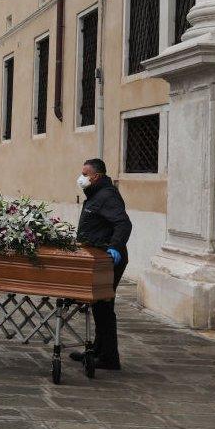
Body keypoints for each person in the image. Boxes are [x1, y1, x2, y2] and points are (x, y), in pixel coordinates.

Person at [71, 158, 132, 370]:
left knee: (104, 307)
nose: (82, 178)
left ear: (96, 176)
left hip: (108, 259)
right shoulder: (97, 193)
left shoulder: (107, 195)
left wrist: (115, 246)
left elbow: (123, 223)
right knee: (98, 306)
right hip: (99, 257)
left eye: (85, 174)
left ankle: (109, 358)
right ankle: (97, 351)